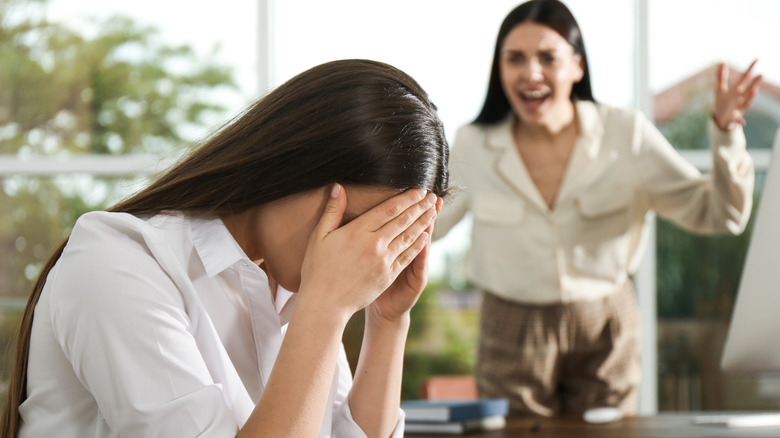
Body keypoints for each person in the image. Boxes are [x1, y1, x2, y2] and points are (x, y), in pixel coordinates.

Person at [1, 59, 449, 437]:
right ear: (292, 164)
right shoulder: (119, 261)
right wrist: (325, 308)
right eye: (354, 226)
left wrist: (388, 320)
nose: (362, 254)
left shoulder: (297, 292)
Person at [434, 0, 761, 416]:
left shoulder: (626, 134)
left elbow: (721, 213)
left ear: (577, 66)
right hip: (509, 326)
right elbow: (430, 223)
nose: (531, 73)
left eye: (548, 58)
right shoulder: (473, 143)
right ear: (500, 70)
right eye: (515, 58)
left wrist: (727, 132)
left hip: (607, 324)